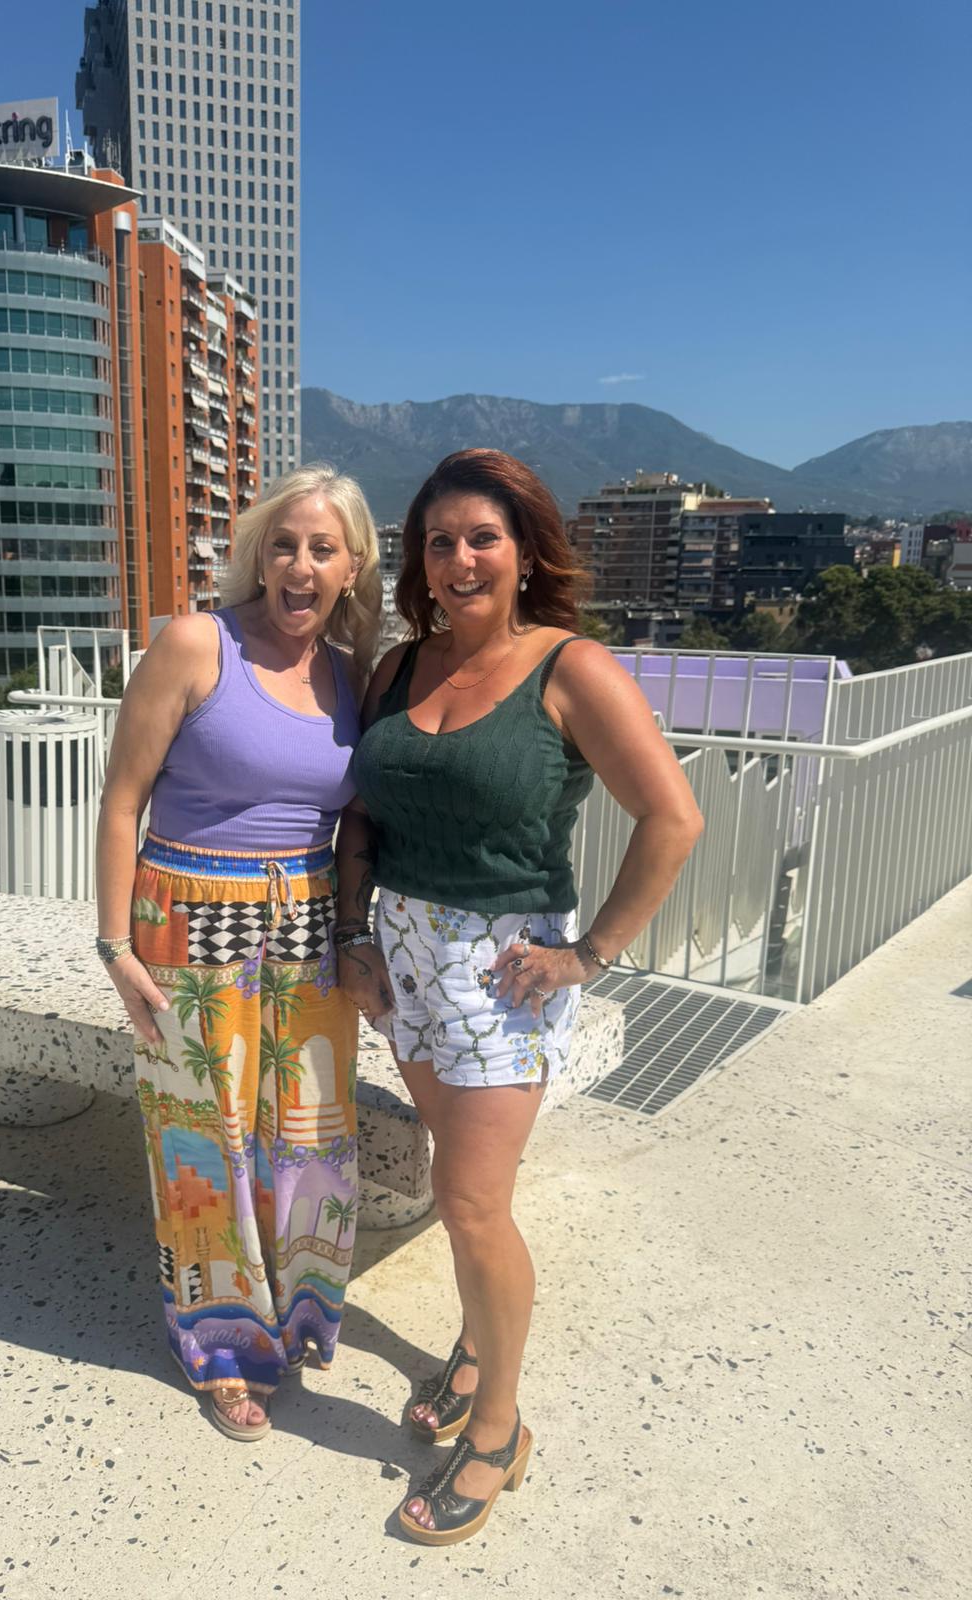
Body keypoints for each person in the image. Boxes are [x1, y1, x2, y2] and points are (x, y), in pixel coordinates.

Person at [336, 449, 703, 1545]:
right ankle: (474, 1343)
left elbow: (673, 818)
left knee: (470, 1201)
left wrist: (590, 953)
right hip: (404, 956)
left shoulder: (570, 667)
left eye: (481, 538)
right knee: (463, 1187)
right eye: (438, 541)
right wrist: (353, 933)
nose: (459, 559)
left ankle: (498, 1429)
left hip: (505, 971)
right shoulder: (399, 668)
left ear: (526, 551)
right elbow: (363, 815)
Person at [97, 464, 381, 1441]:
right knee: (206, 1143)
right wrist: (114, 945)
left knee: (310, 1138)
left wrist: (357, 930)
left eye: (323, 549)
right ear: (260, 554)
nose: (300, 565)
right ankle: (221, 1346)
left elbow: (354, 821)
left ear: (351, 567)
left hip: (307, 927)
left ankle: (296, 1317)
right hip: (189, 921)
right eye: (284, 544)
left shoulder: (352, 673)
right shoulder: (195, 644)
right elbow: (123, 801)